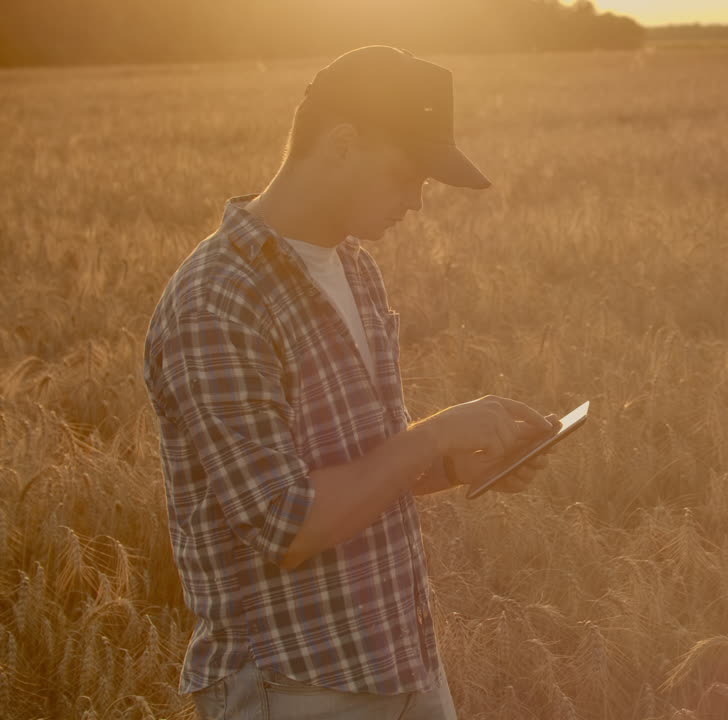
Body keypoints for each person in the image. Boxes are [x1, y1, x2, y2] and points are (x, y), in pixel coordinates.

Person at [142, 45, 557, 720]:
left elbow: (363, 462)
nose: (417, 203)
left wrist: (458, 462)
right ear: (342, 143)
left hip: (401, 658)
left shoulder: (353, 266)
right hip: (297, 685)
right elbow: (287, 522)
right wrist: (434, 437)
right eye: (405, 174)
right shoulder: (216, 300)